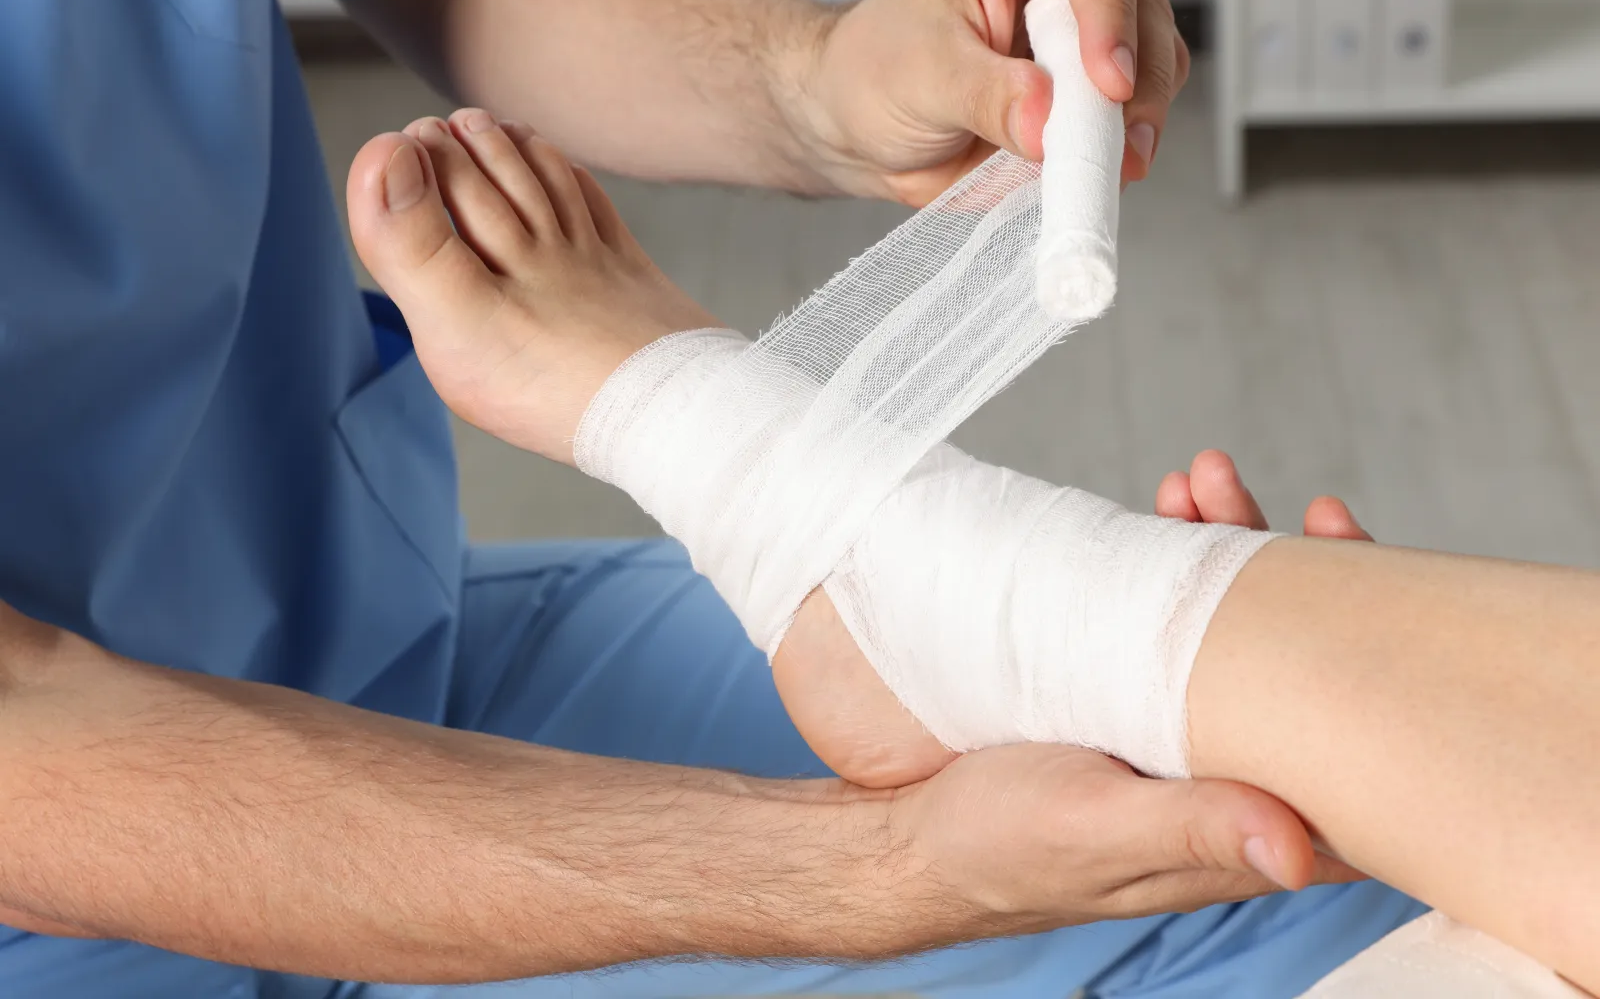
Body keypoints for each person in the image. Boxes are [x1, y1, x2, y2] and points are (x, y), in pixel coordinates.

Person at [0, 0, 1424, 995]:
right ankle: (846, 531)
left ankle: (866, 552)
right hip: (66, 898)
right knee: (1309, 756)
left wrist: (824, 79)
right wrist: (874, 875)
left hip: (372, 661)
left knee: (1344, 840)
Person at [338, 107, 1600, 991]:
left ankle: (1073, 620)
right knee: (1420, 838)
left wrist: (819, 64)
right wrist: (887, 875)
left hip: (399, 647)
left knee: (1397, 849)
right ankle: (1120, 632)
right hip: (256, 893)